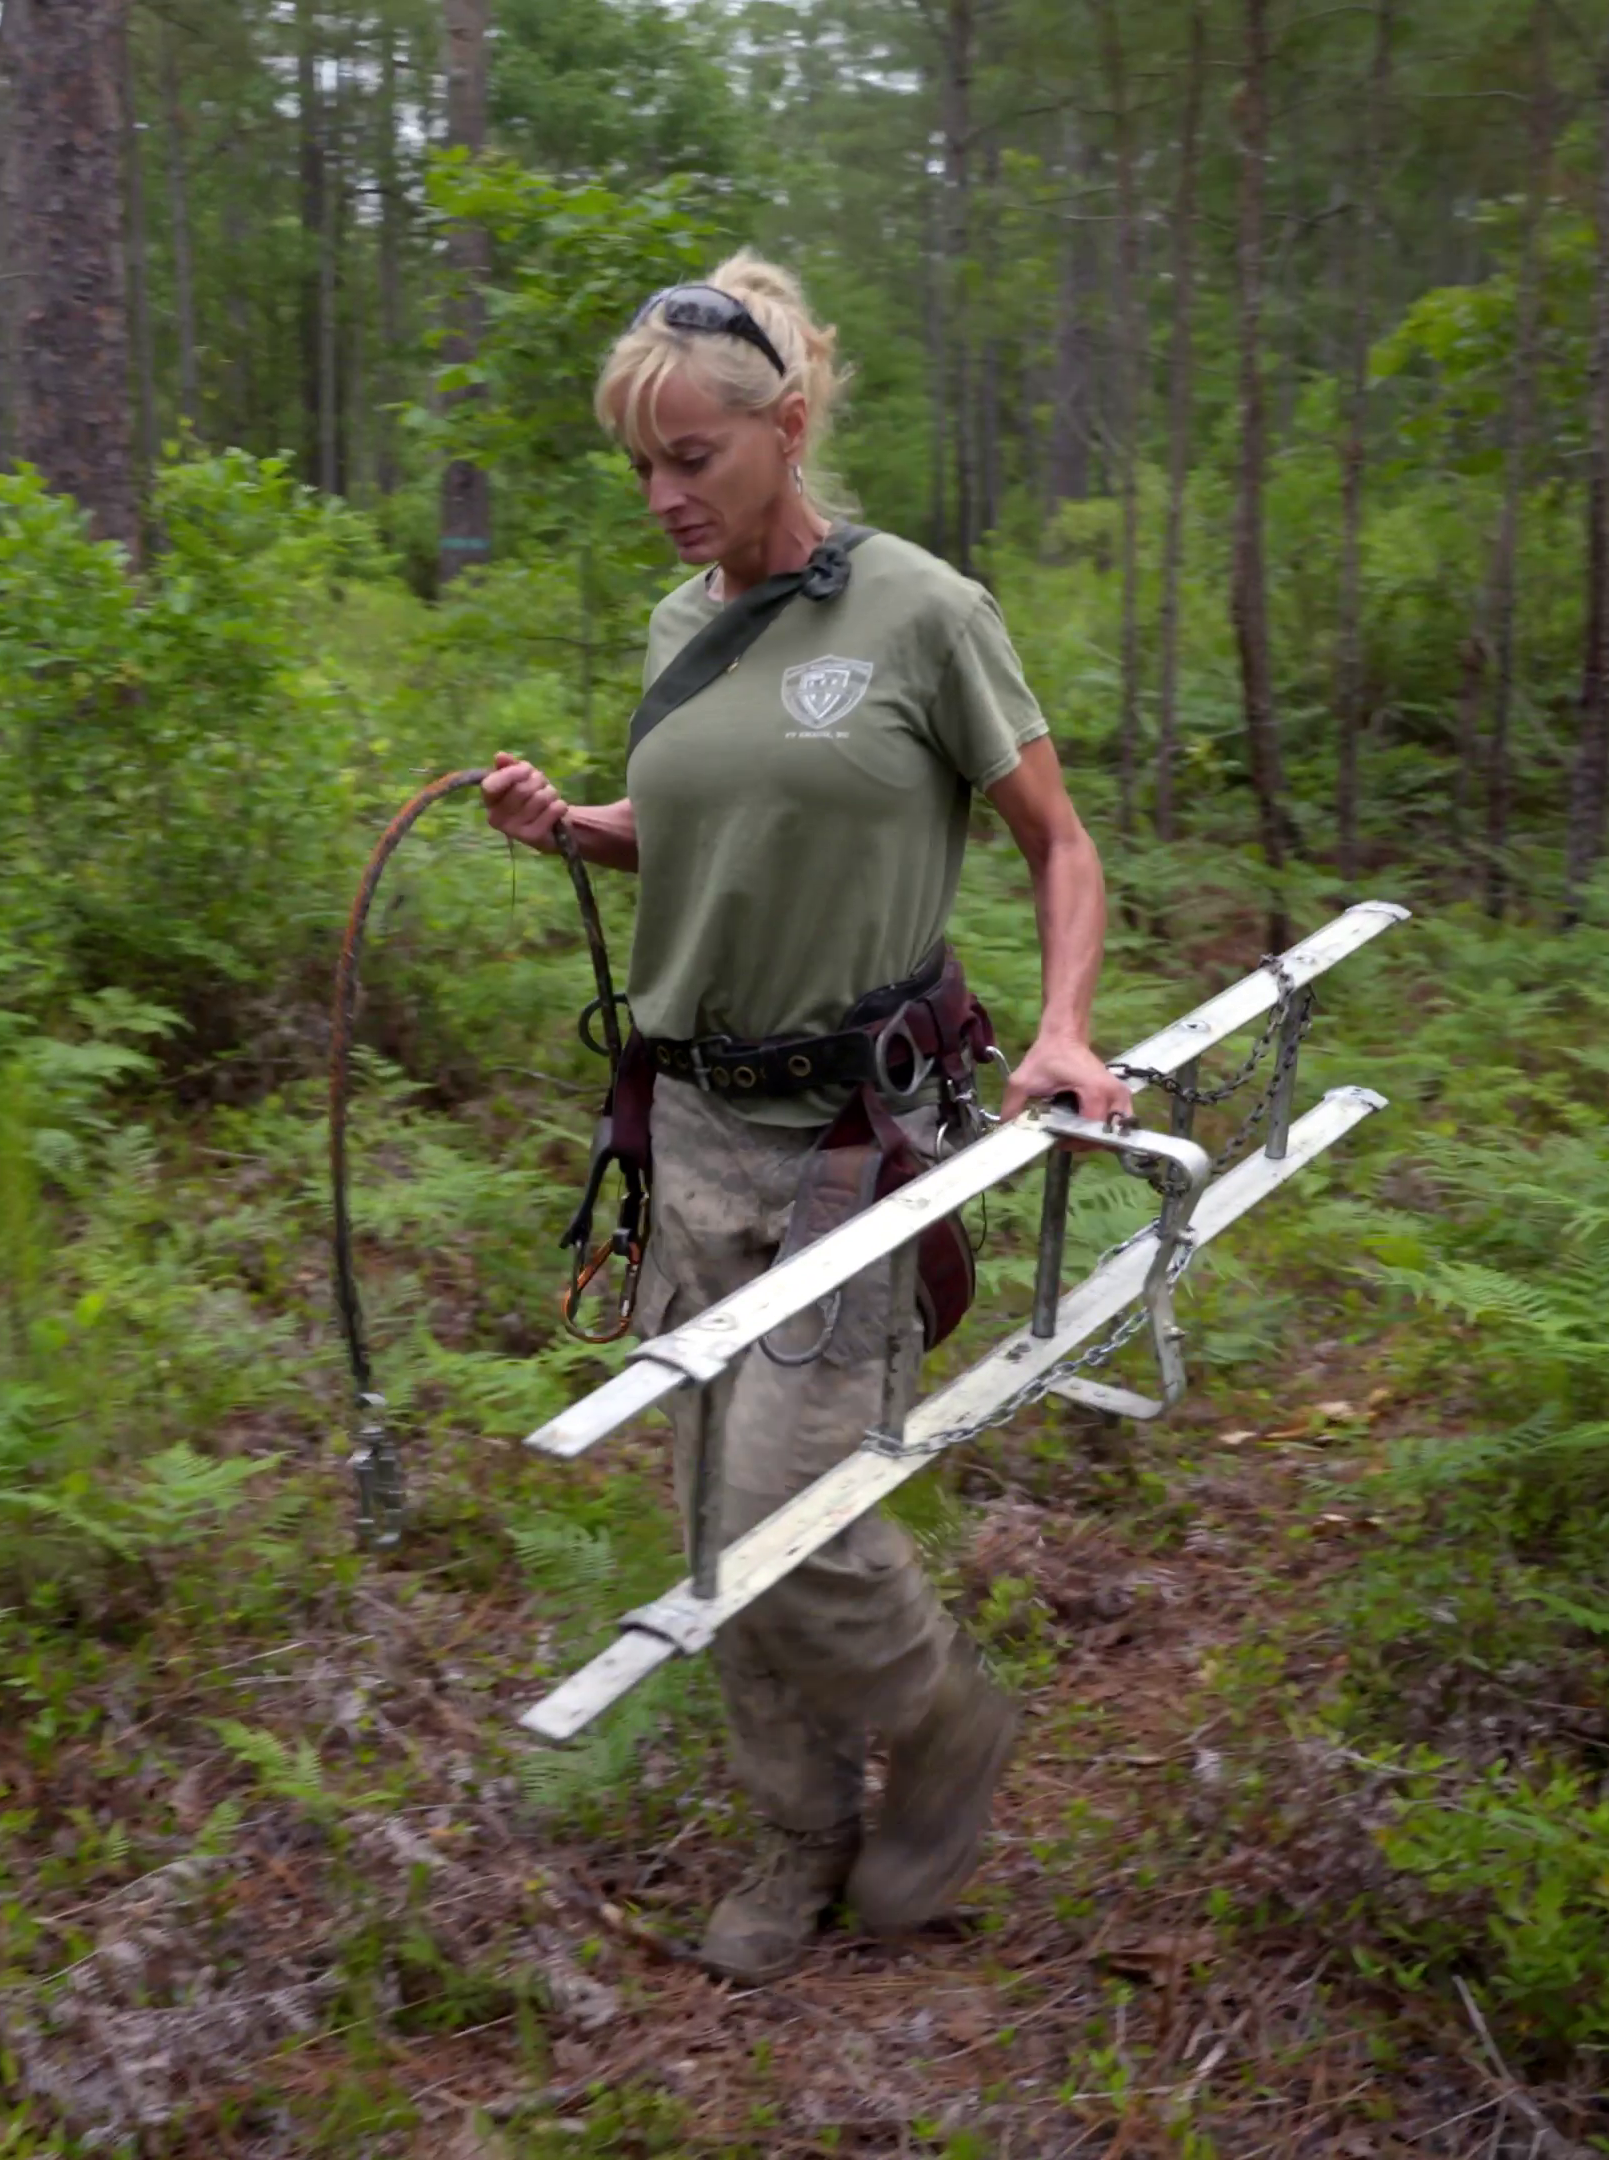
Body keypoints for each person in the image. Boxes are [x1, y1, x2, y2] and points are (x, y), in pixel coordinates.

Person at [479, 253, 1136, 1982]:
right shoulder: (678, 631)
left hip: (860, 1135)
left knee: (789, 1510)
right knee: (713, 1519)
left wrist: (1063, 1031)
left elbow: (1059, 843)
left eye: (693, 455)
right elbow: (694, 832)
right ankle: (800, 1833)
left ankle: (940, 1721)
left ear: (785, 428)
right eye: (641, 464)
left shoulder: (921, 611)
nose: (663, 495)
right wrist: (574, 827)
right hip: (687, 1120)